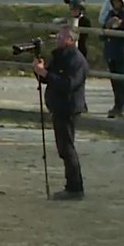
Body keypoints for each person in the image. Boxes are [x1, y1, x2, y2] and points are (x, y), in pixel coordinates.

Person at [34, 27, 88, 199]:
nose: (58, 38)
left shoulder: (76, 60)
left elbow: (69, 84)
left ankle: (75, 187)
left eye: (62, 36)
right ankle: (72, 185)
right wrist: (40, 71)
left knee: (67, 147)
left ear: (71, 40)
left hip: (69, 107)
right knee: (63, 147)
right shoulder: (59, 56)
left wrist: (45, 73)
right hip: (58, 107)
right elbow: (47, 78)